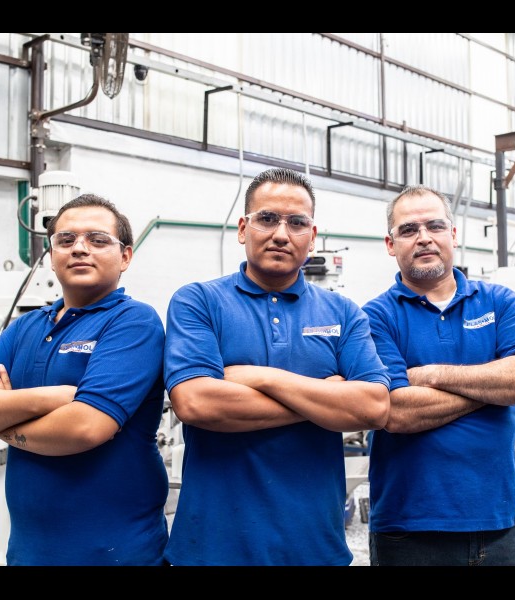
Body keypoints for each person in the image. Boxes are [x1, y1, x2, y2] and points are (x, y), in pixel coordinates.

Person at [163, 167, 390, 566]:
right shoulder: (198, 302)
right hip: (212, 549)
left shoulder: (344, 312)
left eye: (297, 223)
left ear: (312, 236)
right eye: (267, 218)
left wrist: (261, 378)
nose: (282, 234)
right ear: (243, 229)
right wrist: (326, 397)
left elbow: (373, 407)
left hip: (314, 549)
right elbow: (196, 403)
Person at [0, 193, 169, 566]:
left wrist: (0, 420)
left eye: (98, 240)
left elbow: (84, 428)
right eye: (66, 240)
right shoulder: (26, 327)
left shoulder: (133, 322)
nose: (79, 248)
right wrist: (55, 398)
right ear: (52, 256)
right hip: (28, 552)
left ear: (125, 256)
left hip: (116, 554)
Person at [361, 184, 515, 566]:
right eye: (409, 229)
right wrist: (494, 389)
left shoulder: (499, 301)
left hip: (500, 525)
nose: (424, 237)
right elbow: (397, 411)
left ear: (453, 234)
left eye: (435, 226)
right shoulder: (375, 316)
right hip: (409, 531)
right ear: (390, 244)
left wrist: (431, 375)